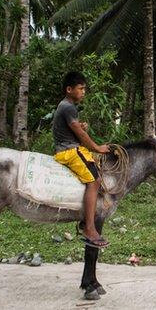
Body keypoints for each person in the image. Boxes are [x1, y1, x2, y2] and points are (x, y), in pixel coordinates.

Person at [51, 71, 111, 249]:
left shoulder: (67, 106)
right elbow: (80, 134)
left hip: (69, 147)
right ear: (69, 89)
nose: (83, 92)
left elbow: (74, 127)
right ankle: (89, 229)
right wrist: (97, 148)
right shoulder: (68, 107)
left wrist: (80, 126)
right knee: (95, 180)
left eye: (85, 88)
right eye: (80, 88)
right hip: (69, 151)